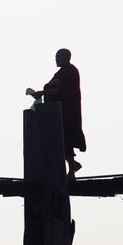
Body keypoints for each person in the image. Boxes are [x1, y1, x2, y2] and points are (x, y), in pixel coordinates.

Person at [30, 48, 86, 180]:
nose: (56, 59)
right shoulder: (61, 72)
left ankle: (71, 171)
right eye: (56, 57)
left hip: (68, 112)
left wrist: (42, 93)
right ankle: (73, 166)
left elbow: (59, 91)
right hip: (58, 112)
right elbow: (53, 86)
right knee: (58, 140)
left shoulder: (70, 71)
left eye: (58, 57)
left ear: (67, 57)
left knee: (66, 140)